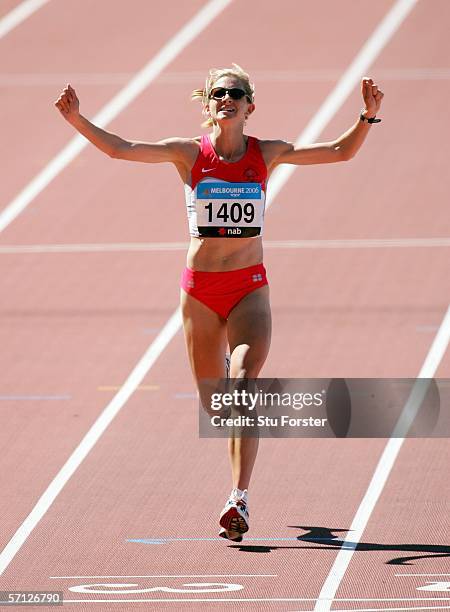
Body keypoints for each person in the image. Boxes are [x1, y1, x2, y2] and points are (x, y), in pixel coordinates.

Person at [55, 64, 384, 541]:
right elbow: (120, 149)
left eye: (235, 92)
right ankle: (228, 370)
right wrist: (77, 120)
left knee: (244, 391)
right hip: (201, 293)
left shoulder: (266, 154)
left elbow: (339, 152)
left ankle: (238, 498)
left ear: (250, 105)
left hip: (249, 287)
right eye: (217, 93)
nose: (226, 98)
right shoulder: (188, 155)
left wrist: (366, 117)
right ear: (208, 105)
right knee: (217, 408)